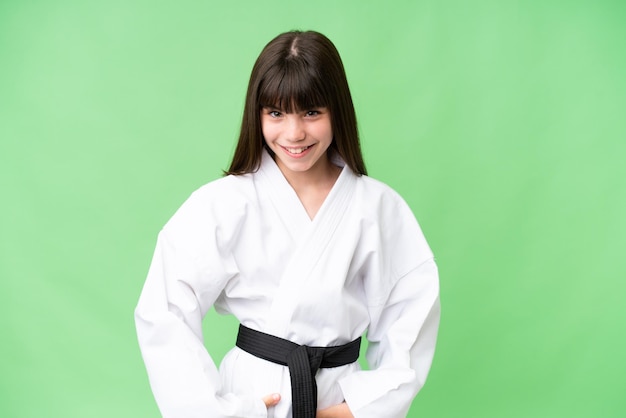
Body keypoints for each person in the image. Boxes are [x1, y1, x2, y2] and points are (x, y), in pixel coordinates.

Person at [135, 30, 440, 418]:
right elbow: (163, 310)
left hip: (336, 399)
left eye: (312, 112)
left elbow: (410, 316)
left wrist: (356, 410)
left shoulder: (378, 207)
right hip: (254, 398)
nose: (294, 133)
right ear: (256, 114)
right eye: (276, 113)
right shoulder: (225, 202)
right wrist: (216, 410)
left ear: (338, 111)